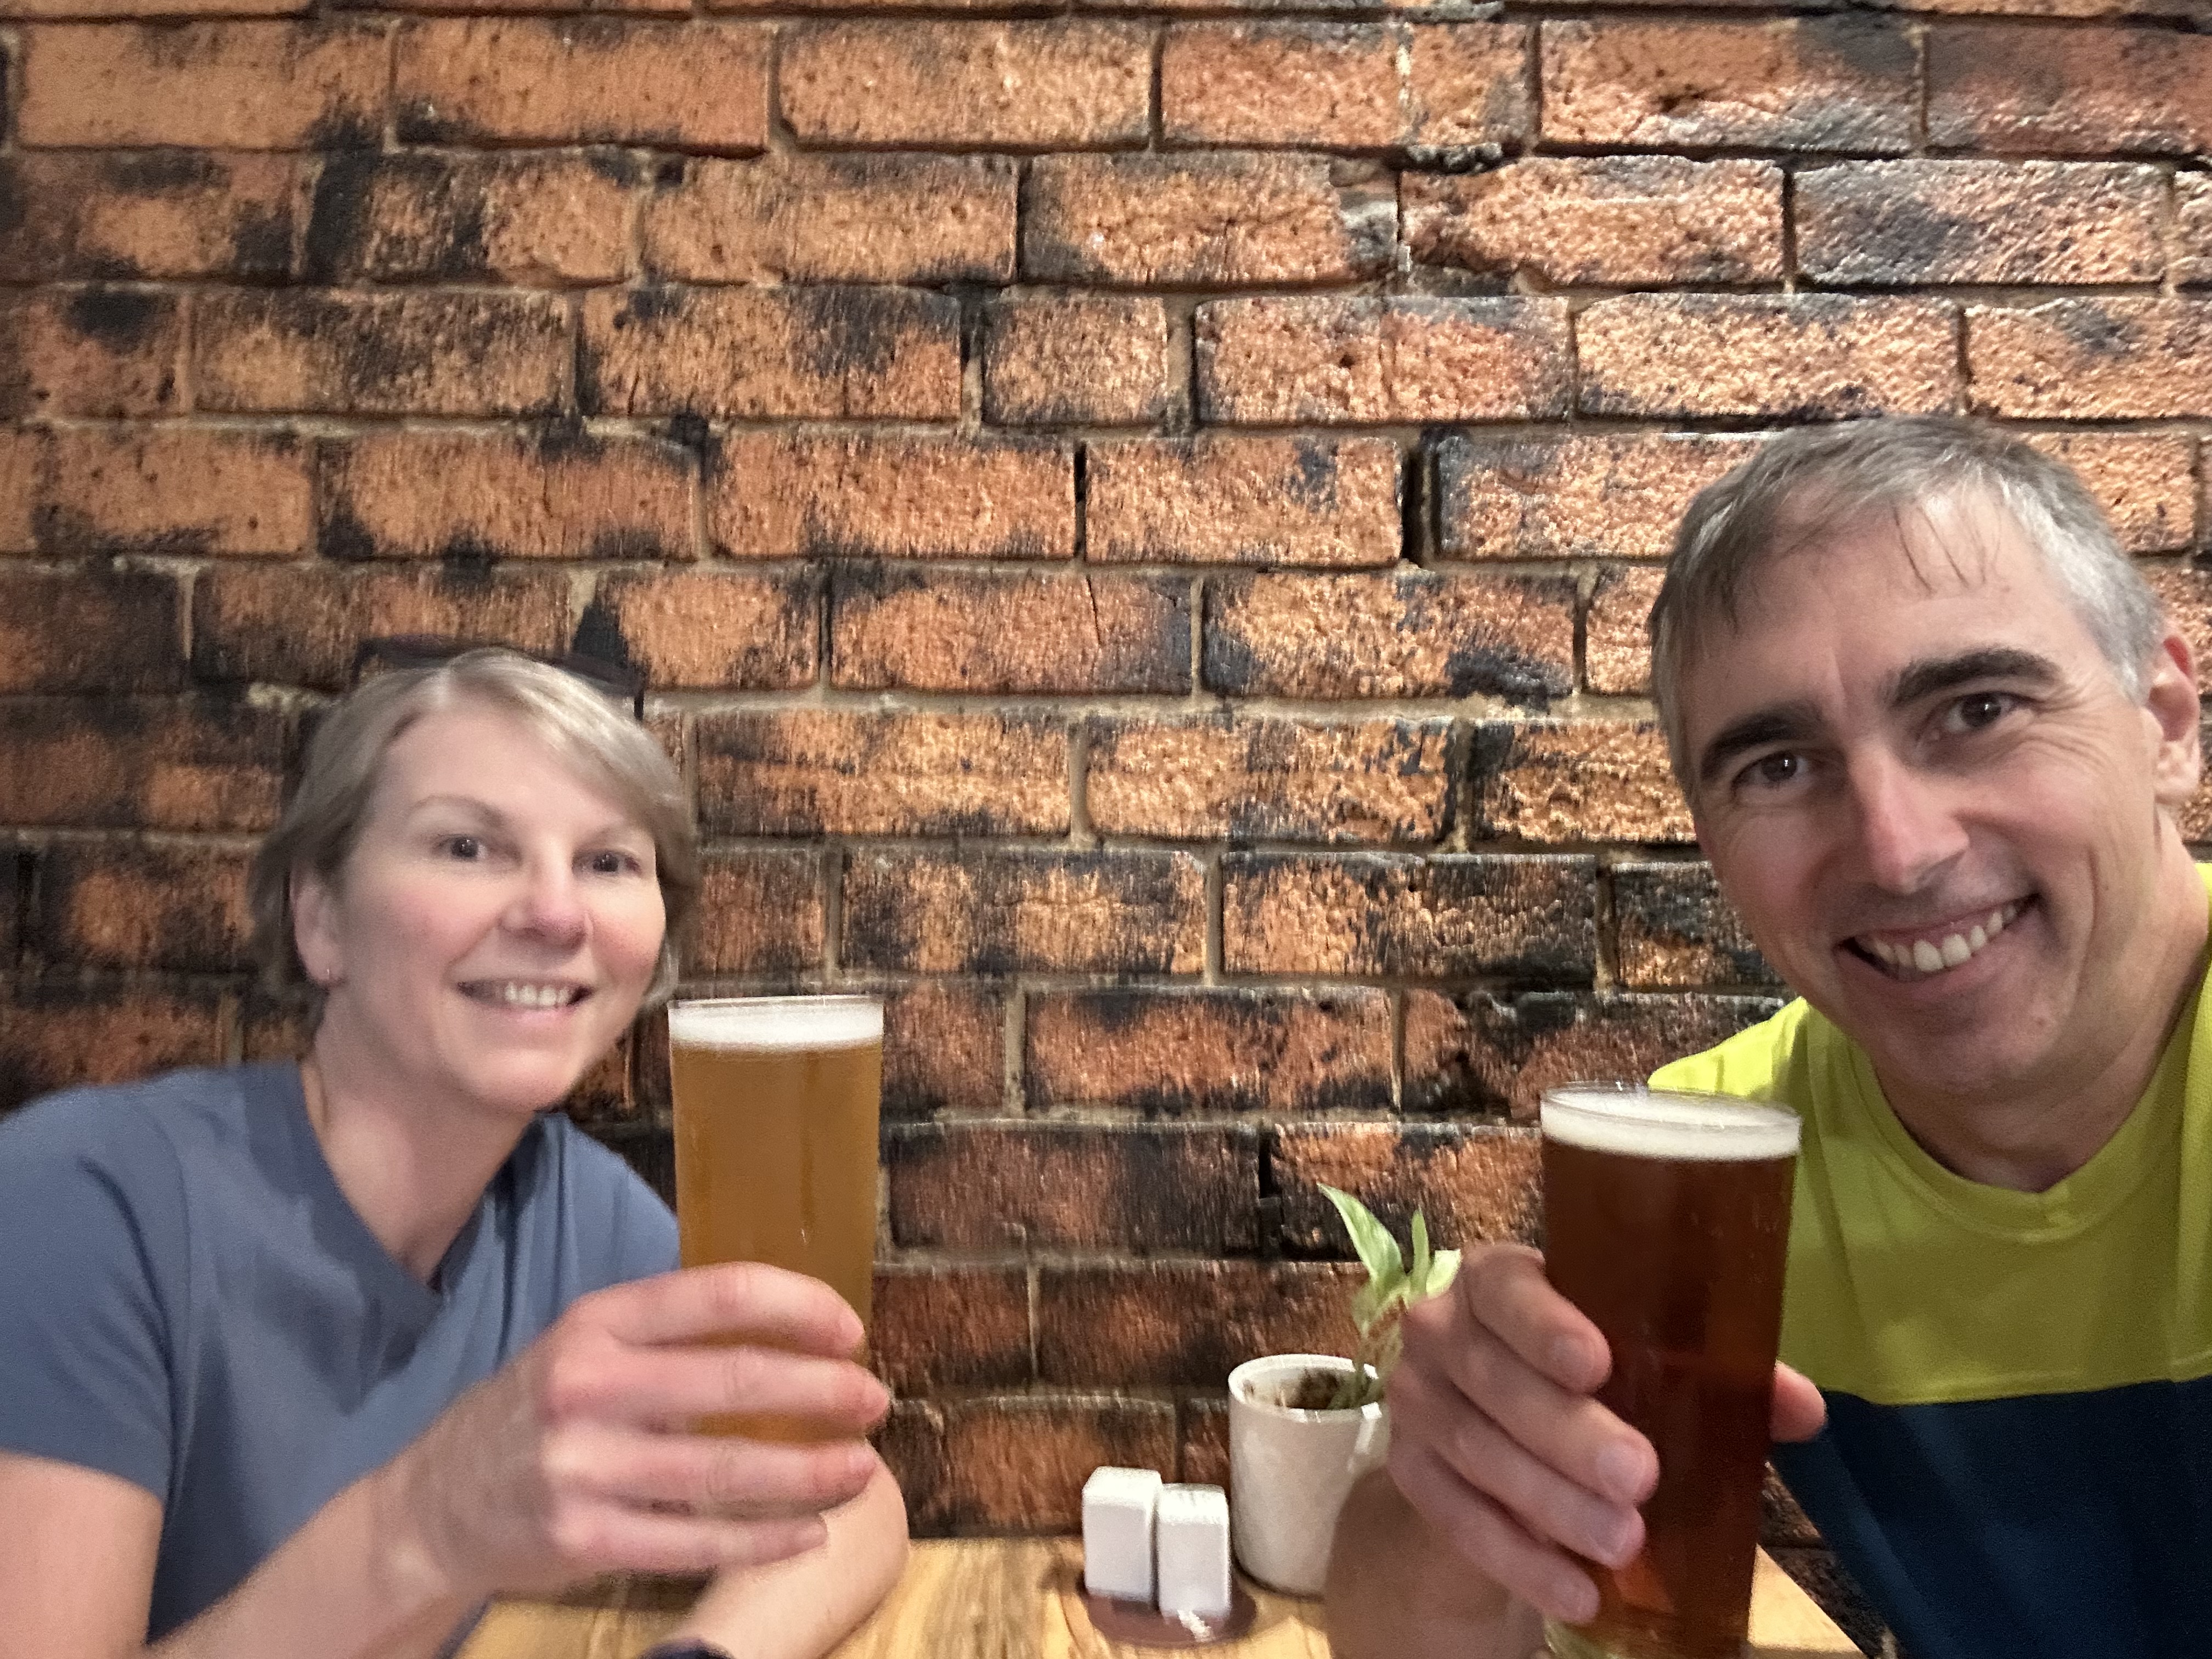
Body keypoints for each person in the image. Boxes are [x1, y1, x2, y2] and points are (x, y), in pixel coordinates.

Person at [1325, 416, 2212, 1659]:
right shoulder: (1718, 1166)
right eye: (1781, 765)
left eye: (1977, 709)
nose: (1901, 849)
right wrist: (1461, 1481)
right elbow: (1411, 1627)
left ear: (2167, 722)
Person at [0, 646, 909, 1659]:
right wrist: (430, 1525)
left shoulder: (577, 1212)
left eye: (608, 861)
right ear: (320, 918)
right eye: (469, 847)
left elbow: (843, 1492)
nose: (556, 915)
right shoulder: (80, 1204)